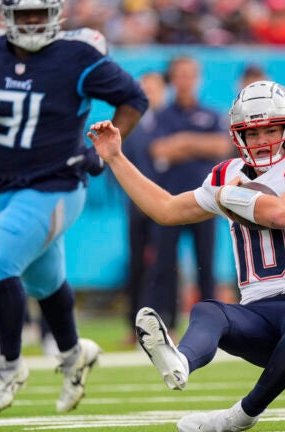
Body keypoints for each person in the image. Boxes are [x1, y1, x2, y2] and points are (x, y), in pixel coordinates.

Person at [89, 80, 285, 432]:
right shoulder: (227, 175)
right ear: (238, 136)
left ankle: (243, 414)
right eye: (252, 133)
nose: (262, 141)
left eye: (271, 130)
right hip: (257, 314)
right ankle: (180, 360)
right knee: (207, 310)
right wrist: (116, 159)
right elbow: (165, 209)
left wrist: (230, 197)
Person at [0, 0, 147, 413]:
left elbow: (133, 100)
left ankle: (9, 365)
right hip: (3, 187)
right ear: (8, 17)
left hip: (58, 184)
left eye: (40, 13)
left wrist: (104, 152)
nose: (33, 22)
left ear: (56, 15)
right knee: (43, 282)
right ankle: (74, 354)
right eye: (25, 14)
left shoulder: (78, 54)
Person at [142, 56, 231, 335]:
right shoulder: (161, 115)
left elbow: (220, 147)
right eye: (180, 75)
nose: (185, 81)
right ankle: (165, 324)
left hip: (204, 201)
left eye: (190, 74)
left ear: (198, 78)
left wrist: (182, 142)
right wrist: (196, 144)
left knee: (206, 262)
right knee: (164, 263)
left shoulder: (211, 114)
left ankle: (210, 323)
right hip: (169, 201)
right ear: (173, 79)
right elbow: (159, 149)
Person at [120, 71, 168, 347]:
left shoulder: (170, 122)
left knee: (163, 266)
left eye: (154, 88)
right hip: (136, 208)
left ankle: (165, 323)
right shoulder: (131, 126)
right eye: (145, 88)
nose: (150, 94)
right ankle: (133, 326)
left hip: (163, 205)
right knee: (136, 266)